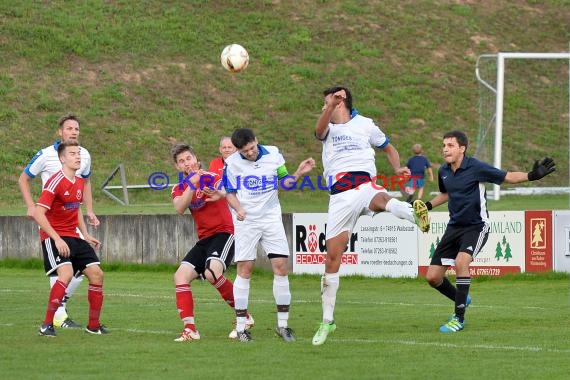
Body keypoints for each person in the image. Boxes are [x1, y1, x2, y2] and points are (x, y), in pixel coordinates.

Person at [311, 86, 430, 346]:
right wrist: (330, 106)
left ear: (342, 102)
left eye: (327, 102)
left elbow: (388, 147)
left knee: (382, 200)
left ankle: (415, 214)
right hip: (340, 196)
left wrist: (397, 167)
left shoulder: (365, 124)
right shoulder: (328, 127)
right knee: (332, 258)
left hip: (364, 184)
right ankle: (327, 321)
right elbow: (318, 131)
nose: (323, 107)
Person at [424, 130, 555, 333]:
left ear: (462, 148)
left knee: (461, 263)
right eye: (443, 145)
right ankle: (462, 297)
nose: (445, 149)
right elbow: (446, 193)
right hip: (454, 227)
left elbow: (508, 177)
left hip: (476, 226)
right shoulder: (443, 171)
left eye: (450, 145)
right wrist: (428, 206)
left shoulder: (475, 167)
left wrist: (532, 176)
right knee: (432, 277)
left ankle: (458, 318)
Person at [223, 128, 316, 342]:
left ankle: (283, 326)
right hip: (246, 221)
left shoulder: (273, 154)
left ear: (257, 141)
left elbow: (285, 183)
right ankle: (241, 328)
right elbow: (229, 192)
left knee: (281, 267)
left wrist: (299, 173)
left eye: (252, 148)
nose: (250, 153)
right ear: (238, 150)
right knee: (245, 270)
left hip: (271, 218)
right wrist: (238, 209)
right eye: (245, 151)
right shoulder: (232, 163)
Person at [18, 114, 100, 329]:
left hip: (72, 222)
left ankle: (62, 309)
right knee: (63, 271)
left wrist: (90, 210)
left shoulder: (83, 156)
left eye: (76, 129)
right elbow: (24, 178)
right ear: (60, 132)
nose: (73, 132)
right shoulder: (46, 155)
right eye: (69, 128)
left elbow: (85, 185)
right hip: (50, 220)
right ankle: (56, 317)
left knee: (83, 271)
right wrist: (30, 205)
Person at [170, 143, 253, 342]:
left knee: (212, 272)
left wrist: (216, 190)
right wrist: (192, 183)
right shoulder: (179, 188)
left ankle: (245, 316)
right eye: (181, 161)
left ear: (196, 160)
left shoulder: (212, 177)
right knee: (180, 276)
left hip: (224, 233)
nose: (186, 163)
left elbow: (228, 190)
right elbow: (180, 208)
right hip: (204, 239)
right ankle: (190, 329)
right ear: (177, 168)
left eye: (188, 158)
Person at [34, 140, 107, 337]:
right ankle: (46, 325)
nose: (78, 157)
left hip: (74, 235)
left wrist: (86, 235)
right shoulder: (55, 181)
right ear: (62, 158)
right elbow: (38, 213)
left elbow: (76, 210)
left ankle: (93, 326)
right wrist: (57, 239)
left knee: (97, 275)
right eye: (73, 153)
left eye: (79, 153)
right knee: (65, 274)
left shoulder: (80, 182)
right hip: (53, 236)